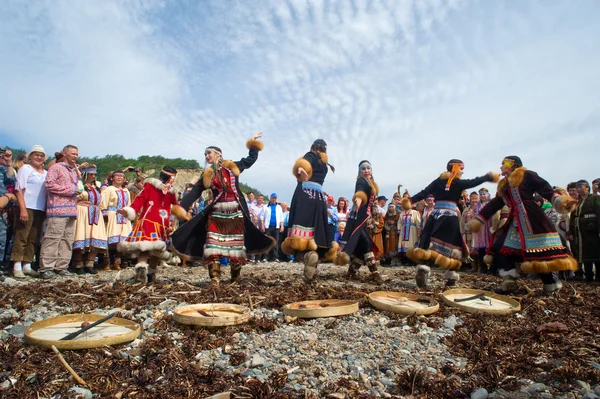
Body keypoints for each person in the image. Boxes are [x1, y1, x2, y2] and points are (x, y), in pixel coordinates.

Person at [171, 133, 275, 286]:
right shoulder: (207, 174)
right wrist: (180, 207)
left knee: (235, 246)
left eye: (209, 153)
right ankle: (214, 277)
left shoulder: (232, 166)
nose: (207, 156)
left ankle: (234, 276)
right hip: (216, 213)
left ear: (218, 155)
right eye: (205, 154)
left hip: (235, 212)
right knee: (212, 244)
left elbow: (250, 160)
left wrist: (253, 144)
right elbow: (195, 191)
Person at [470, 156, 578, 294]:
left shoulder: (527, 175)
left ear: (512, 164)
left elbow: (545, 189)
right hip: (516, 223)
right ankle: (509, 282)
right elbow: (495, 203)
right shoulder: (504, 185)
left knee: (540, 254)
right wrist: (480, 218)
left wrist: (560, 201)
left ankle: (550, 285)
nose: (501, 166)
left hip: (534, 220)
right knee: (500, 248)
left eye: (503, 163)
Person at [403, 159, 499, 288]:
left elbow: (424, 192)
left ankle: (423, 269)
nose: (462, 172)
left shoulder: (438, 181)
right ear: (454, 168)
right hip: (450, 216)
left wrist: (410, 200)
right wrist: (488, 177)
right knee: (454, 246)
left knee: (427, 243)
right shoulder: (458, 182)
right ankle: (451, 276)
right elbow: (473, 182)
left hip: (435, 215)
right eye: (461, 169)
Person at [281, 139, 338, 282]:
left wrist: (301, 170)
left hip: (305, 194)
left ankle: (307, 256)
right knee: (315, 232)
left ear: (313, 148)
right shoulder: (323, 164)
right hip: (318, 198)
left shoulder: (311, 156)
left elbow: (303, 164)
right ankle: (313, 263)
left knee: (299, 235)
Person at [118, 167, 187, 283]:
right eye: (173, 178)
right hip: (150, 221)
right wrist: (130, 209)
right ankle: (144, 270)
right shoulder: (151, 186)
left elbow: (175, 206)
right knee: (146, 247)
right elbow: (141, 199)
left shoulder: (171, 192)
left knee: (156, 249)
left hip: (161, 224)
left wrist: (183, 215)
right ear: (170, 178)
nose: (173, 181)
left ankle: (148, 273)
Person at [333, 160, 383, 284]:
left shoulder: (371, 183)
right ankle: (375, 272)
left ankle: (352, 271)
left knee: (362, 246)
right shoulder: (361, 181)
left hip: (364, 217)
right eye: (363, 168)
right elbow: (359, 193)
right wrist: (358, 201)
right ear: (360, 171)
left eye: (368, 168)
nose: (366, 170)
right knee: (365, 241)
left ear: (371, 170)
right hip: (358, 216)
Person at [38, 145, 81, 279]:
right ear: (65, 153)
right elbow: (49, 184)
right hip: (57, 209)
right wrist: (71, 190)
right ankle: (46, 267)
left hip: (71, 210)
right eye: (72, 154)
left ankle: (61, 266)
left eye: (76, 154)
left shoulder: (73, 171)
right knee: (52, 238)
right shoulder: (56, 167)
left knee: (67, 240)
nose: (75, 156)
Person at [11, 145, 47, 278]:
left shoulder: (46, 173)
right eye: (36, 155)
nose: (39, 157)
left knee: (34, 237)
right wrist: (22, 209)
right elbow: (19, 189)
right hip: (27, 206)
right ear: (30, 156)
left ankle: (27, 264)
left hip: (40, 208)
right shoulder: (25, 169)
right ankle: (17, 265)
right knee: (22, 235)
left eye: (41, 155)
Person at [72, 164, 108, 275]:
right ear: (85, 174)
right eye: (91, 174)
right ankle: (78, 264)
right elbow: (75, 197)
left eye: (95, 174)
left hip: (95, 213)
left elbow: (100, 201)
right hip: (83, 211)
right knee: (82, 236)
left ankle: (90, 264)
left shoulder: (96, 186)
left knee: (94, 238)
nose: (93, 176)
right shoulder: (79, 185)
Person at [99, 170, 132, 271]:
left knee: (121, 242)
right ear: (112, 178)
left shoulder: (126, 191)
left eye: (121, 176)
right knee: (109, 240)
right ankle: (106, 262)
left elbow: (129, 204)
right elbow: (103, 203)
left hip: (123, 217)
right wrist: (105, 217)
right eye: (117, 176)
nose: (119, 178)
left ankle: (117, 262)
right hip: (112, 216)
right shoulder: (109, 190)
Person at [568, 180, 600, 282]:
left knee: (595, 253)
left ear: (587, 188)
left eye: (580, 187)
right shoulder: (577, 202)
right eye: (577, 187)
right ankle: (588, 276)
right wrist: (570, 232)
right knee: (583, 254)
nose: (578, 189)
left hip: (592, 232)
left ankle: (598, 277)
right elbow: (572, 219)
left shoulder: (594, 198)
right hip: (580, 233)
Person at [0, 146, 16, 268]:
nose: (1, 156)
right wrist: (7, 196)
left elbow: (11, 181)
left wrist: (9, 162)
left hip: (4, 207)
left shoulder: (3, 169)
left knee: (2, 239)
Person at [397, 197, 421, 266]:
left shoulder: (415, 212)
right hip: (403, 231)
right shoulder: (402, 213)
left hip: (412, 231)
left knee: (412, 244)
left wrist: (419, 229)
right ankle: (405, 260)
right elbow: (399, 222)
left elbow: (418, 221)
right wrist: (399, 229)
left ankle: (413, 260)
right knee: (404, 244)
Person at [263, 193, 284, 262]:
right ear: (270, 198)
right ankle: (265, 257)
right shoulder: (265, 206)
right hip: (268, 226)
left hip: (276, 227)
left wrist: (282, 226)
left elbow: (281, 217)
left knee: (276, 242)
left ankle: (275, 257)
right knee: (266, 242)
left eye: (275, 198)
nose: (274, 199)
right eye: (273, 198)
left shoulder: (279, 207)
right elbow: (262, 217)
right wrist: (262, 225)